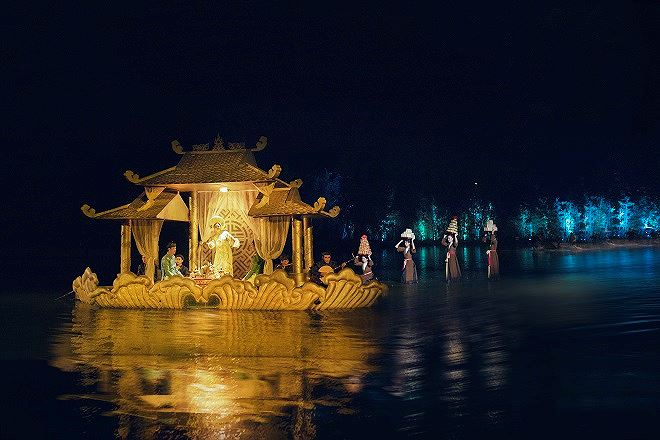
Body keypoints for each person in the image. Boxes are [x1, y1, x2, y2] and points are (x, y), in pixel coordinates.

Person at [441, 216, 461, 281]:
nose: (449, 239)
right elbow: (443, 243)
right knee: (449, 268)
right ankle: (450, 277)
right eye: (448, 238)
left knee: (453, 268)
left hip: (453, 257)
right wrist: (444, 237)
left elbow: (456, 243)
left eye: (450, 238)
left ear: (452, 239)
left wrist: (455, 236)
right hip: (449, 257)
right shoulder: (448, 244)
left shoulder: (454, 244)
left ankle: (454, 278)